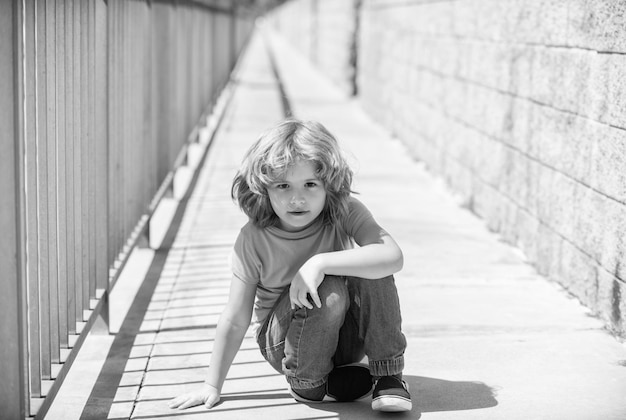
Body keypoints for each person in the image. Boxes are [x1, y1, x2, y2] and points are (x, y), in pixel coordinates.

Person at [168, 119, 412, 413]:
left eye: (310, 184)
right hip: (283, 343)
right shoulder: (253, 238)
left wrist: (319, 262)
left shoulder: (344, 211)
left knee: (373, 263)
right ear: (263, 188)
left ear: (329, 186)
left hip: (342, 334)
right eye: (283, 186)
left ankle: (387, 376)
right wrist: (212, 385)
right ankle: (307, 383)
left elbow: (392, 256)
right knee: (329, 286)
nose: (297, 199)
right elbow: (234, 317)